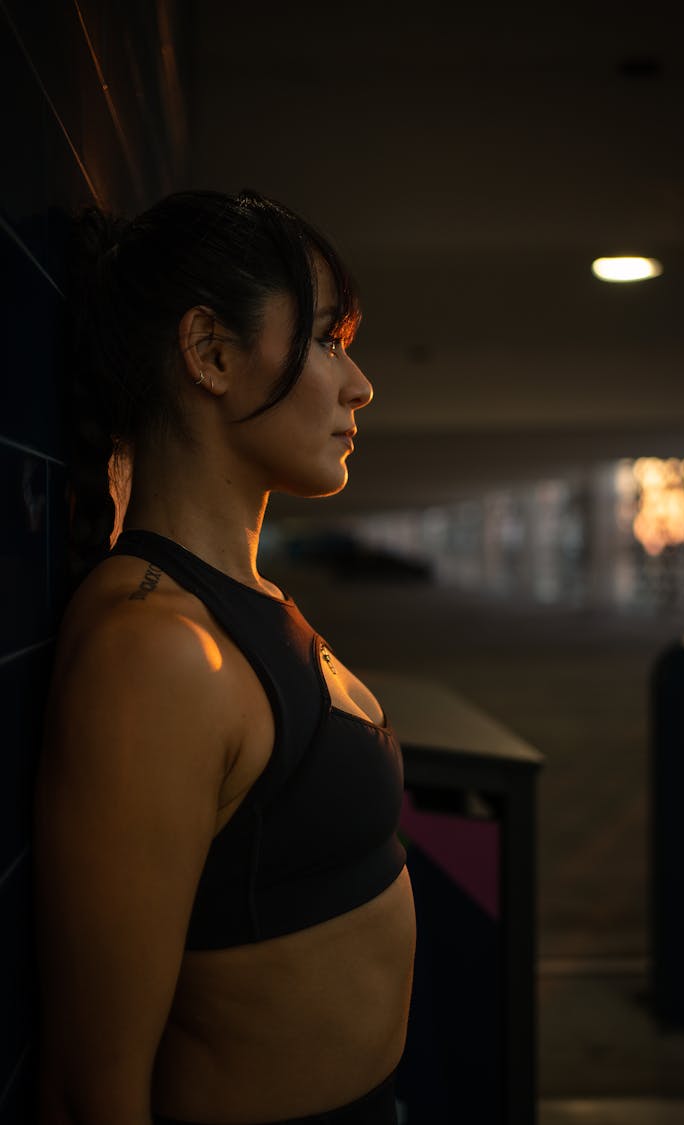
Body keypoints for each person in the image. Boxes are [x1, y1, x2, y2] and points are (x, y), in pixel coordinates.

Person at [35, 189, 416, 1125]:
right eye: (329, 338)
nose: (359, 384)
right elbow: (94, 1088)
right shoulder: (153, 653)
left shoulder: (236, 606)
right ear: (209, 353)